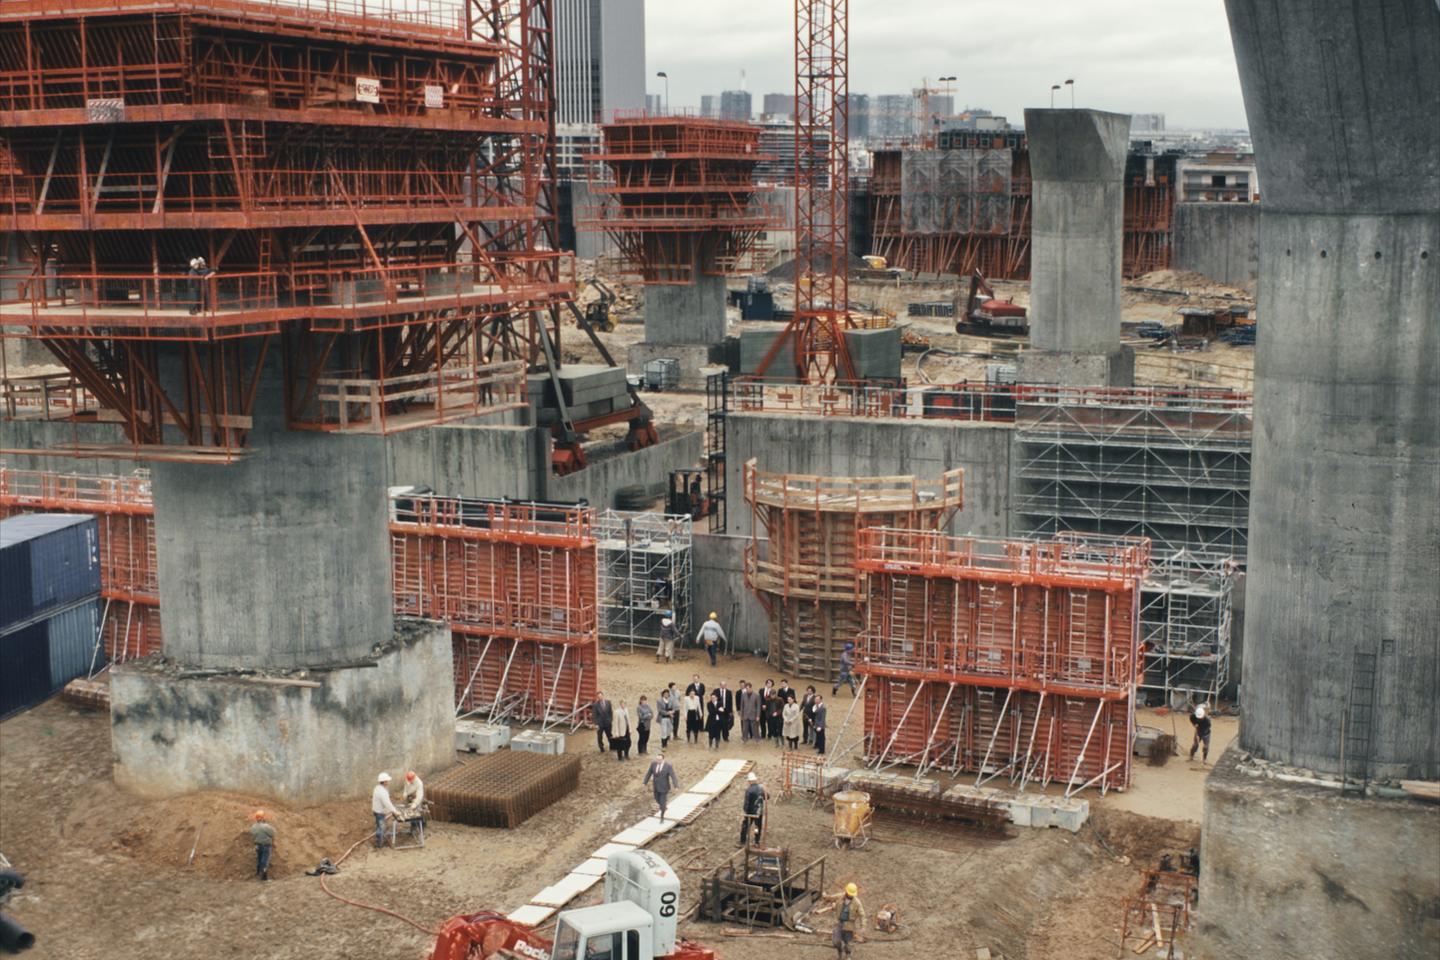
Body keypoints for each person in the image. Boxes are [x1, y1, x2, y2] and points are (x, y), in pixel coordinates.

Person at [643, 752, 681, 820]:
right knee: (657, 799)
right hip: (656, 786)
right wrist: (644, 782)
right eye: (657, 759)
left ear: (663, 759)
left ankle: (662, 816)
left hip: (664, 787)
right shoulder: (653, 764)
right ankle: (663, 807)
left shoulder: (668, 766)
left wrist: (676, 786)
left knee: (662, 802)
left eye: (659, 760)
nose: (658, 761)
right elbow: (649, 773)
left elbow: (673, 776)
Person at [833, 883, 867, 958]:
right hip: (839, 924)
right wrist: (825, 897)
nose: (851, 895)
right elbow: (832, 900)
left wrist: (863, 926)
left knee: (848, 943)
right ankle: (840, 952)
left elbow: (862, 915)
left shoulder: (857, 902)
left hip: (849, 926)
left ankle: (848, 955)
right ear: (846, 892)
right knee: (836, 941)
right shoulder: (840, 898)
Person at [739, 772, 768, 847]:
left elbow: (747, 803)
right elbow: (767, 797)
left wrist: (745, 812)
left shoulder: (749, 790)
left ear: (750, 781)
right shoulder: (761, 788)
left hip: (750, 813)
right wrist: (765, 790)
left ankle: (743, 840)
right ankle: (756, 841)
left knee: (745, 826)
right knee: (757, 827)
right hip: (759, 812)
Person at [372, 772, 400, 848]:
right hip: (379, 812)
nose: (388, 782)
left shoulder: (377, 787)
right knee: (381, 827)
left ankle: (380, 840)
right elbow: (387, 803)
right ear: (384, 781)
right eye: (387, 781)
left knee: (379, 825)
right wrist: (395, 811)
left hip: (377, 810)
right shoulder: (382, 792)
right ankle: (379, 843)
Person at [250, 810, 275, 881]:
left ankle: (258, 873)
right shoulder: (266, 826)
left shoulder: (253, 827)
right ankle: (264, 878)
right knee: (264, 861)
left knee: (259, 859)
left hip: (257, 846)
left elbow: (252, 836)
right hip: (265, 846)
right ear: (263, 817)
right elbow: (273, 833)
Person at [402, 771, 425, 837]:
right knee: (411, 814)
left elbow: (419, 797)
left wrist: (414, 805)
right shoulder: (407, 779)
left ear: (414, 778)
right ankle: (413, 827)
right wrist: (405, 794)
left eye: (411, 781)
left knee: (418, 813)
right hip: (410, 796)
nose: (410, 782)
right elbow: (405, 788)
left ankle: (421, 829)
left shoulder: (419, 783)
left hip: (416, 797)